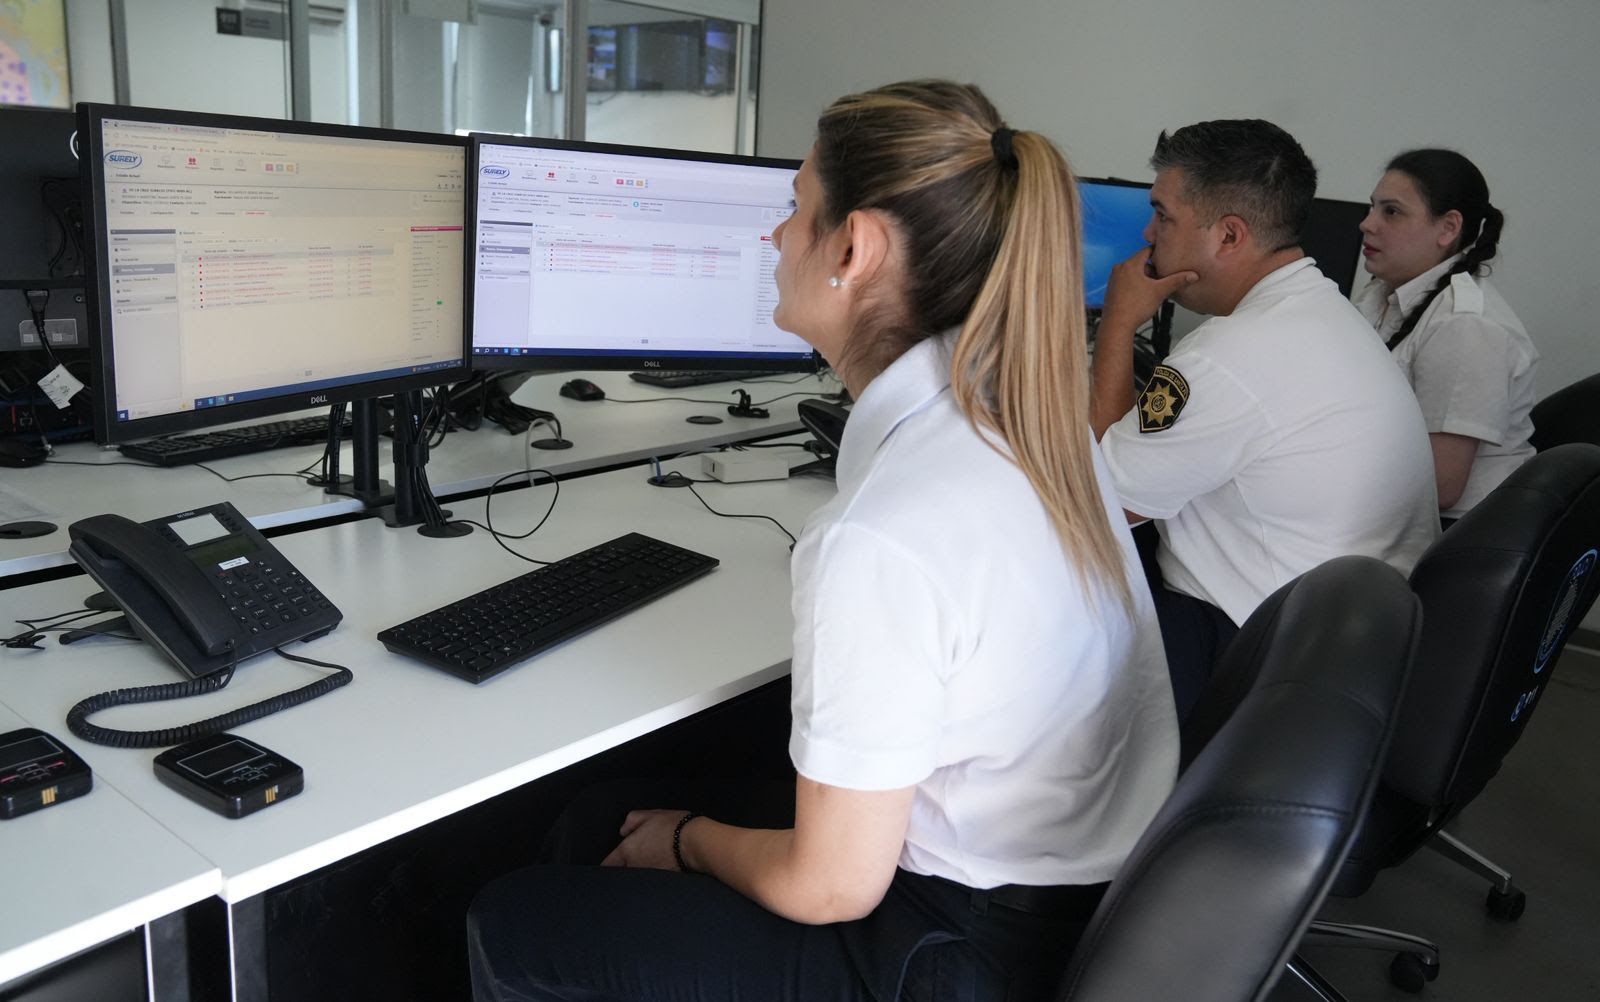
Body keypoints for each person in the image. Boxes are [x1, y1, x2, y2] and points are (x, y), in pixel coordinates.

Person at [467, 80, 1179, 1001]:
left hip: (951, 951)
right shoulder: (1035, 429)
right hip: (1078, 896)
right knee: (609, 809)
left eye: (795, 207)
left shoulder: (884, 534)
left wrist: (686, 840)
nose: (775, 236)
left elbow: (832, 887)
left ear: (853, 247)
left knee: (516, 921)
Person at [1089, 119, 1439, 720]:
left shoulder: (1228, 357)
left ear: (1229, 235)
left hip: (1260, 655)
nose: (1147, 235)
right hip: (1352, 637)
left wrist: (1119, 323)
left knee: (1054, 567)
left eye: (1163, 216)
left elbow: (1098, 504)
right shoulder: (1321, 309)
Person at [1351, 149, 1537, 518]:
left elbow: (1442, 485)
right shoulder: (1382, 292)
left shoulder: (1465, 326)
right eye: (1373, 207)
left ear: (1448, 228)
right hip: (1389, 505)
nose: (1367, 224)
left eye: (1391, 212)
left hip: (1448, 530)